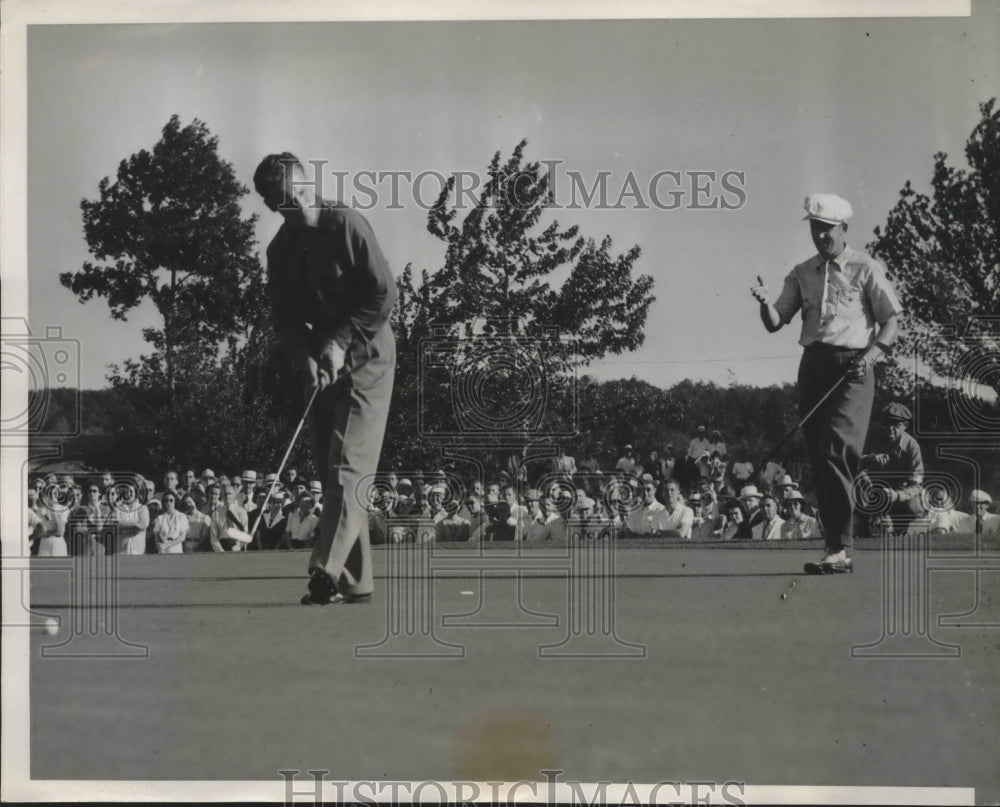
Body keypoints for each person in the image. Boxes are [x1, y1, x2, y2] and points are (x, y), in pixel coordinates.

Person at [256, 152, 396, 603]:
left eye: (297, 198)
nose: (292, 210)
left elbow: (383, 292)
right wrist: (306, 358)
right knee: (327, 466)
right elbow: (284, 319)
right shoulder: (279, 250)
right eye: (280, 205)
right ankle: (357, 582)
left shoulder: (346, 224)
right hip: (321, 361)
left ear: (309, 186)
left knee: (346, 463)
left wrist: (339, 341)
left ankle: (325, 572)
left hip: (368, 353)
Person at [752, 193, 901, 573]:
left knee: (837, 450)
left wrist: (868, 359)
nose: (820, 235)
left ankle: (840, 548)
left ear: (843, 228)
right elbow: (775, 322)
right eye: (815, 228)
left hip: (854, 367)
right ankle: (835, 546)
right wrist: (764, 301)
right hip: (813, 366)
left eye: (827, 229)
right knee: (821, 457)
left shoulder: (865, 267)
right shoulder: (802, 272)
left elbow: (890, 323)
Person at [859, 403, 925, 536]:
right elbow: (851, 462)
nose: (890, 428)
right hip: (872, 488)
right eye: (887, 423)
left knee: (913, 507)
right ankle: (864, 524)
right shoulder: (871, 436)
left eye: (896, 424)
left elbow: (917, 484)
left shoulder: (912, 446)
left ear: (905, 425)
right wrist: (870, 458)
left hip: (899, 492)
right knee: (856, 481)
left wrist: (898, 495)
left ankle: (900, 527)